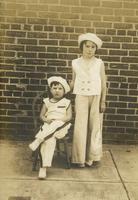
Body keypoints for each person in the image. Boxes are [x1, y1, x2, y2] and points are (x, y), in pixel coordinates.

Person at [71, 33, 107, 168]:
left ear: (96, 49)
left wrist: (103, 100)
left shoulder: (99, 63)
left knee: (94, 126)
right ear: (82, 47)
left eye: (93, 47)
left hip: (95, 97)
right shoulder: (75, 63)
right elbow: (73, 81)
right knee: (80, 126)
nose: (90, 49)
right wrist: (62, 88)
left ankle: (91, 157)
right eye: (87, 46)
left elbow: (103, 83)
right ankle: (79, 158)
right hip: (80, 96)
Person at [29, 76, 72, 179]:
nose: (57, 91)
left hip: (61, 126)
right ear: (51, 89)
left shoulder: (67, 102)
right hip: (48, 126)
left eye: (60, 88)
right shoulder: (46, 101)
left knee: (55, 125)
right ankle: (43, 167)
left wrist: (59, 121)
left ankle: (38, 140)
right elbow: (41, 116)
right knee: (49, 141)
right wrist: (47, 120)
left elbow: (69, 117)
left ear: (64, 91)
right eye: (54, 88)